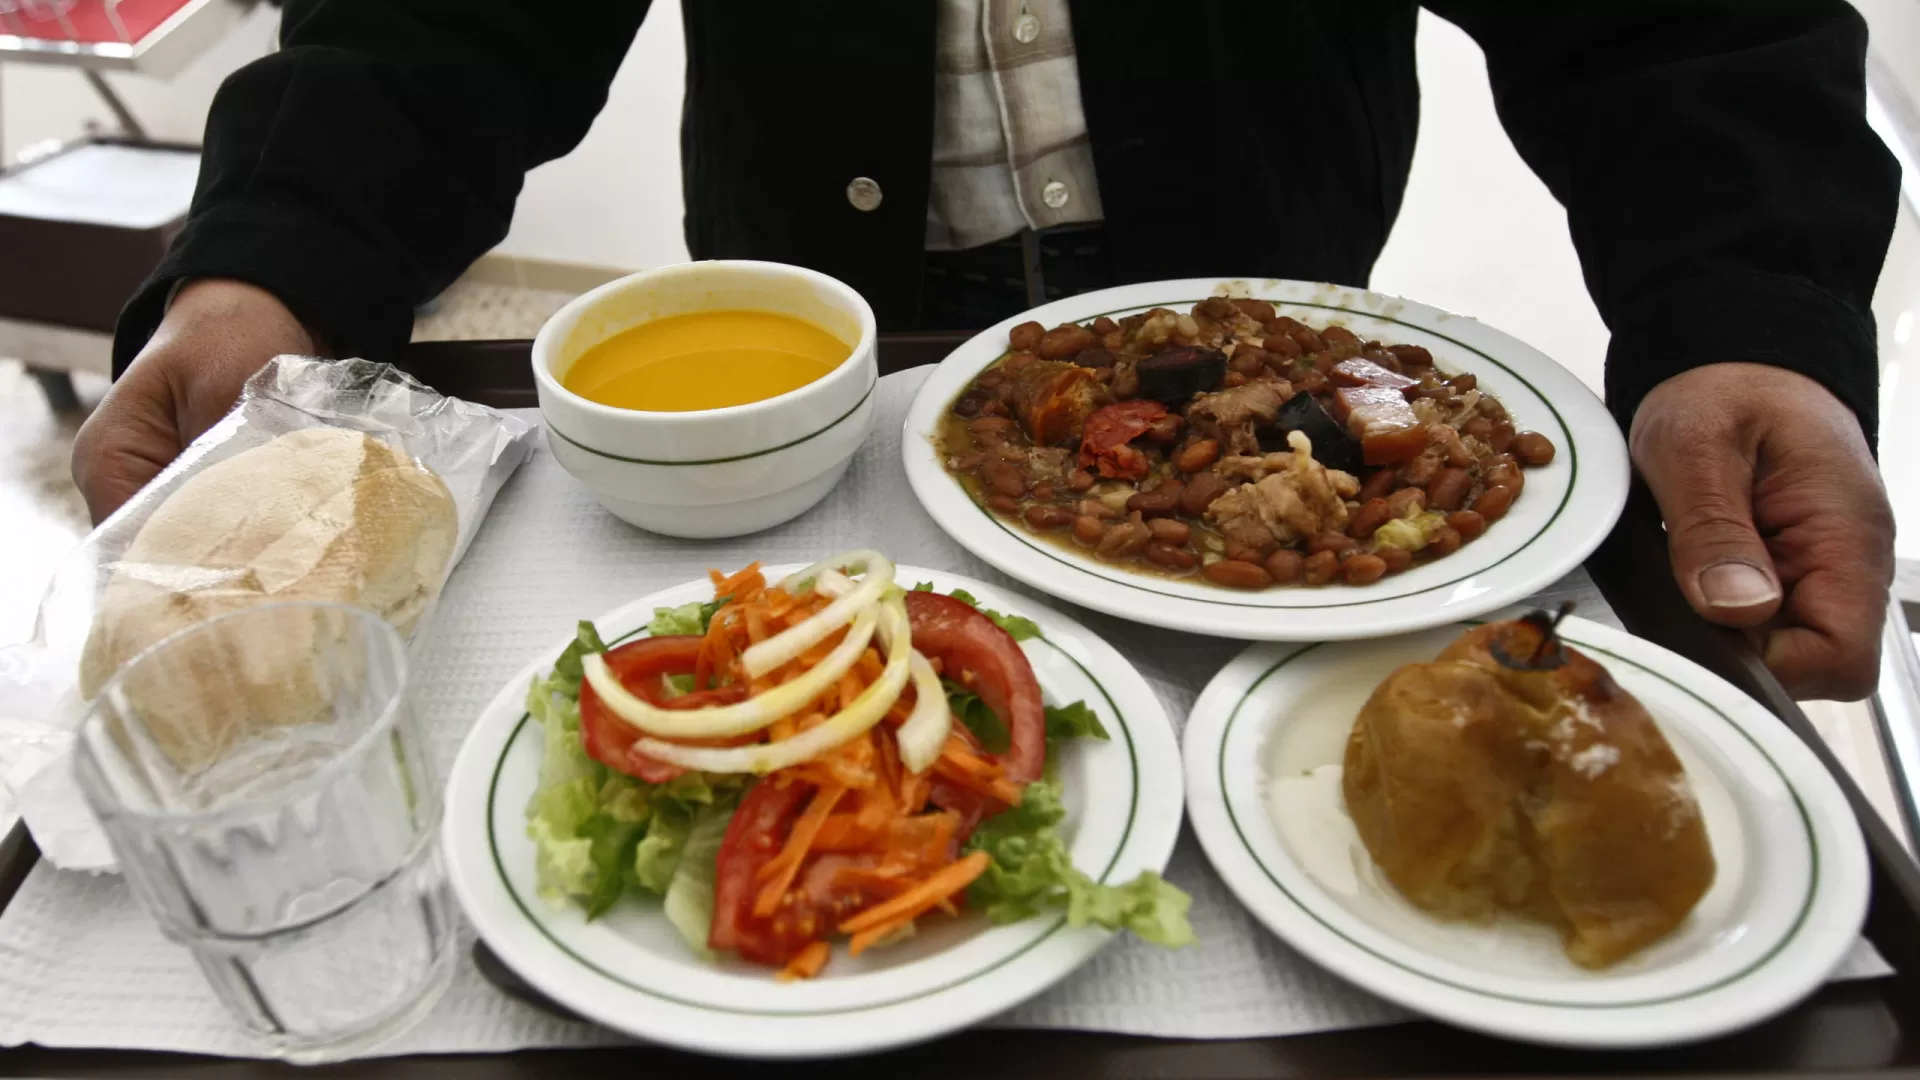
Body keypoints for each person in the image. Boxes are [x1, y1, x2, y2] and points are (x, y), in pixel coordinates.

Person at [72, 1, 1899, 700]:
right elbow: (435, 17)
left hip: (1276, 352)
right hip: (815, 382)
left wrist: (1752, 317)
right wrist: (274, 259)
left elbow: (1679, 18)